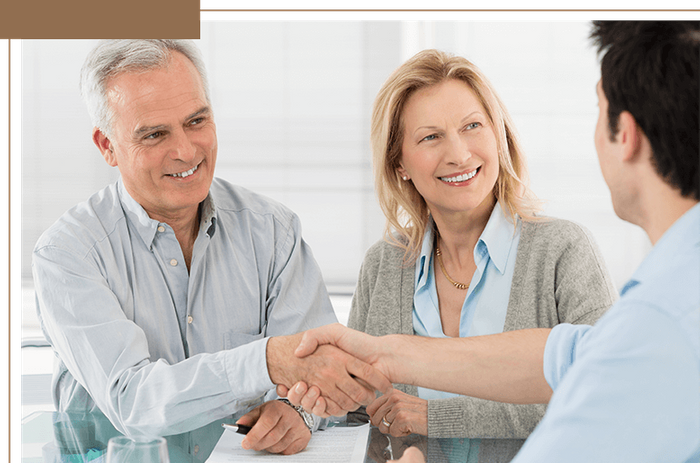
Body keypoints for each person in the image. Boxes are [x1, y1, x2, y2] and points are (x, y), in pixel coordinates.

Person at [287, 19, 700, 463]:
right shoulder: (658, 303)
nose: (460, 154)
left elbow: (590, 392)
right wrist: (325, 396)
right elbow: (564, 357)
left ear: (628, 135)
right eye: (431, 137)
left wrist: (436, 416)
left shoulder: (640, 301)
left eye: (472, 127)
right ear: (399, 162)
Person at [32, 39, 390, 456]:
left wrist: (298, 411)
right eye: (154, 134)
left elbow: (320, 377)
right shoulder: (67, 253)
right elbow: (134, 400)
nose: (185, 150)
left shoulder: (274, 233)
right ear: (107, 146)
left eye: (197, 121)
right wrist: (267, 361)